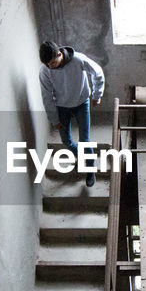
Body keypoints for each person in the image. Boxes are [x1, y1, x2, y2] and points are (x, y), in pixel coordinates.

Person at [39, 40, 105, 187]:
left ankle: (90, 169)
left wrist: (97, 95)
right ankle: (81, 158)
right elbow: (46, 96)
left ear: (60, 55)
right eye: (47, 65)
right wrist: (54, 119)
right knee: (66, 140)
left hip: (82, 104)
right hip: (61, 107)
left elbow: (97, 72)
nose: (50, 67)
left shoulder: (78, 60)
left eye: (52, 63)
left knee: (84, 140)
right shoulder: (45, 71)